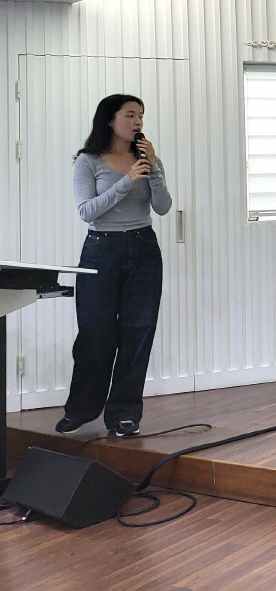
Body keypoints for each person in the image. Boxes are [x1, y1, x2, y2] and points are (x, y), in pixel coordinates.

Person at [55, 94, 172, 437]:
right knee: (95, 334)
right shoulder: (88, 161)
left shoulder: (148, 159)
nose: (137, 122)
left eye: (141, 116)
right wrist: (127, 181)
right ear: (110, 119)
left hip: (143, 247)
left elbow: (163, 207)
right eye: (130, 115)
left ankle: (124, 414)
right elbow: (86, 211)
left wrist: (153, 170)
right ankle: (80, 410)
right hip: (101, 249)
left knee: (138, 332)